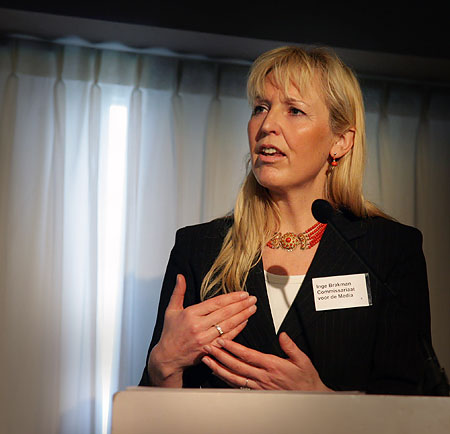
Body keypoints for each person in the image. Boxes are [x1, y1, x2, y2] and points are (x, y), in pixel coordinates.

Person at [139, 46, 436, 394]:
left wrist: (324, 403)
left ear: (340, 141)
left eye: (294, 110)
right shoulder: (199, 249)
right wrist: (163, 365)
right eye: (260, 108)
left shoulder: (387, 250)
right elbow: (153, 408)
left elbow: (410, 402)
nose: (267, 125)